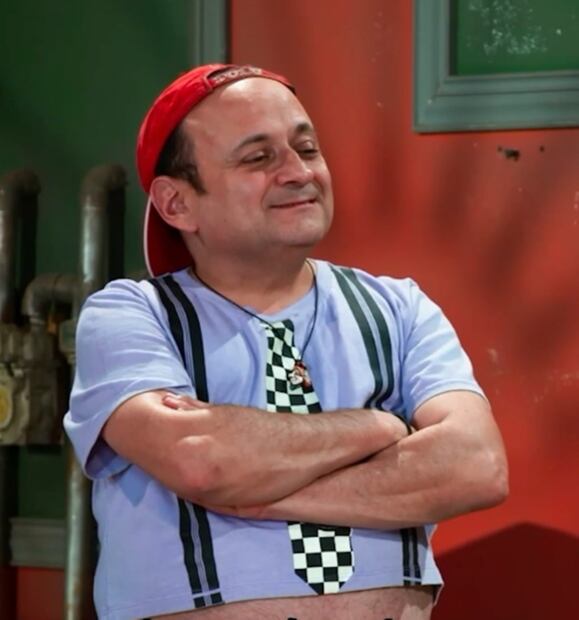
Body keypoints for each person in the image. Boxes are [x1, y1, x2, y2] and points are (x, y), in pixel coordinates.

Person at [64, 64, 508, 620]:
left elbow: (477, 465)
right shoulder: (130, 315)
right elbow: (201, 461)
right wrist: (376, 428)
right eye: (258, 158)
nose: (299, 173)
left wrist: (253, 491)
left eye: (307, 149)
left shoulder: (399, 308)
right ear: (177, 203)